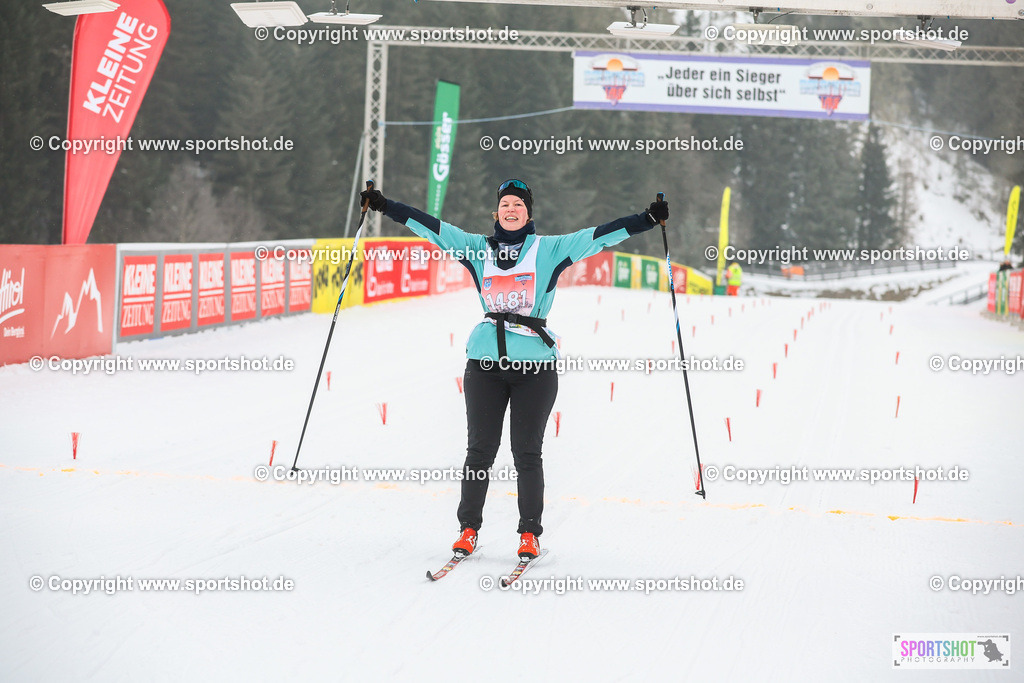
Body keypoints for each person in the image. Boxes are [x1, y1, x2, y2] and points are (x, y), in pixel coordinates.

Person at [360, 179, 668, 560]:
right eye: (505, 203)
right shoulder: (475, 248)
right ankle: (468, 530)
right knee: (479, 452)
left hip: (535, 368)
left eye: (518, 205)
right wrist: (385, 205)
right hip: (485, 363)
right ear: (496, 212)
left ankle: (529, 534)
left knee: (526, 454)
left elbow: (600, 236)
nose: (511, 209)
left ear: (528, 213)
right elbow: (431, 227)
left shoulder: (549, 250)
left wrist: (648, 219)